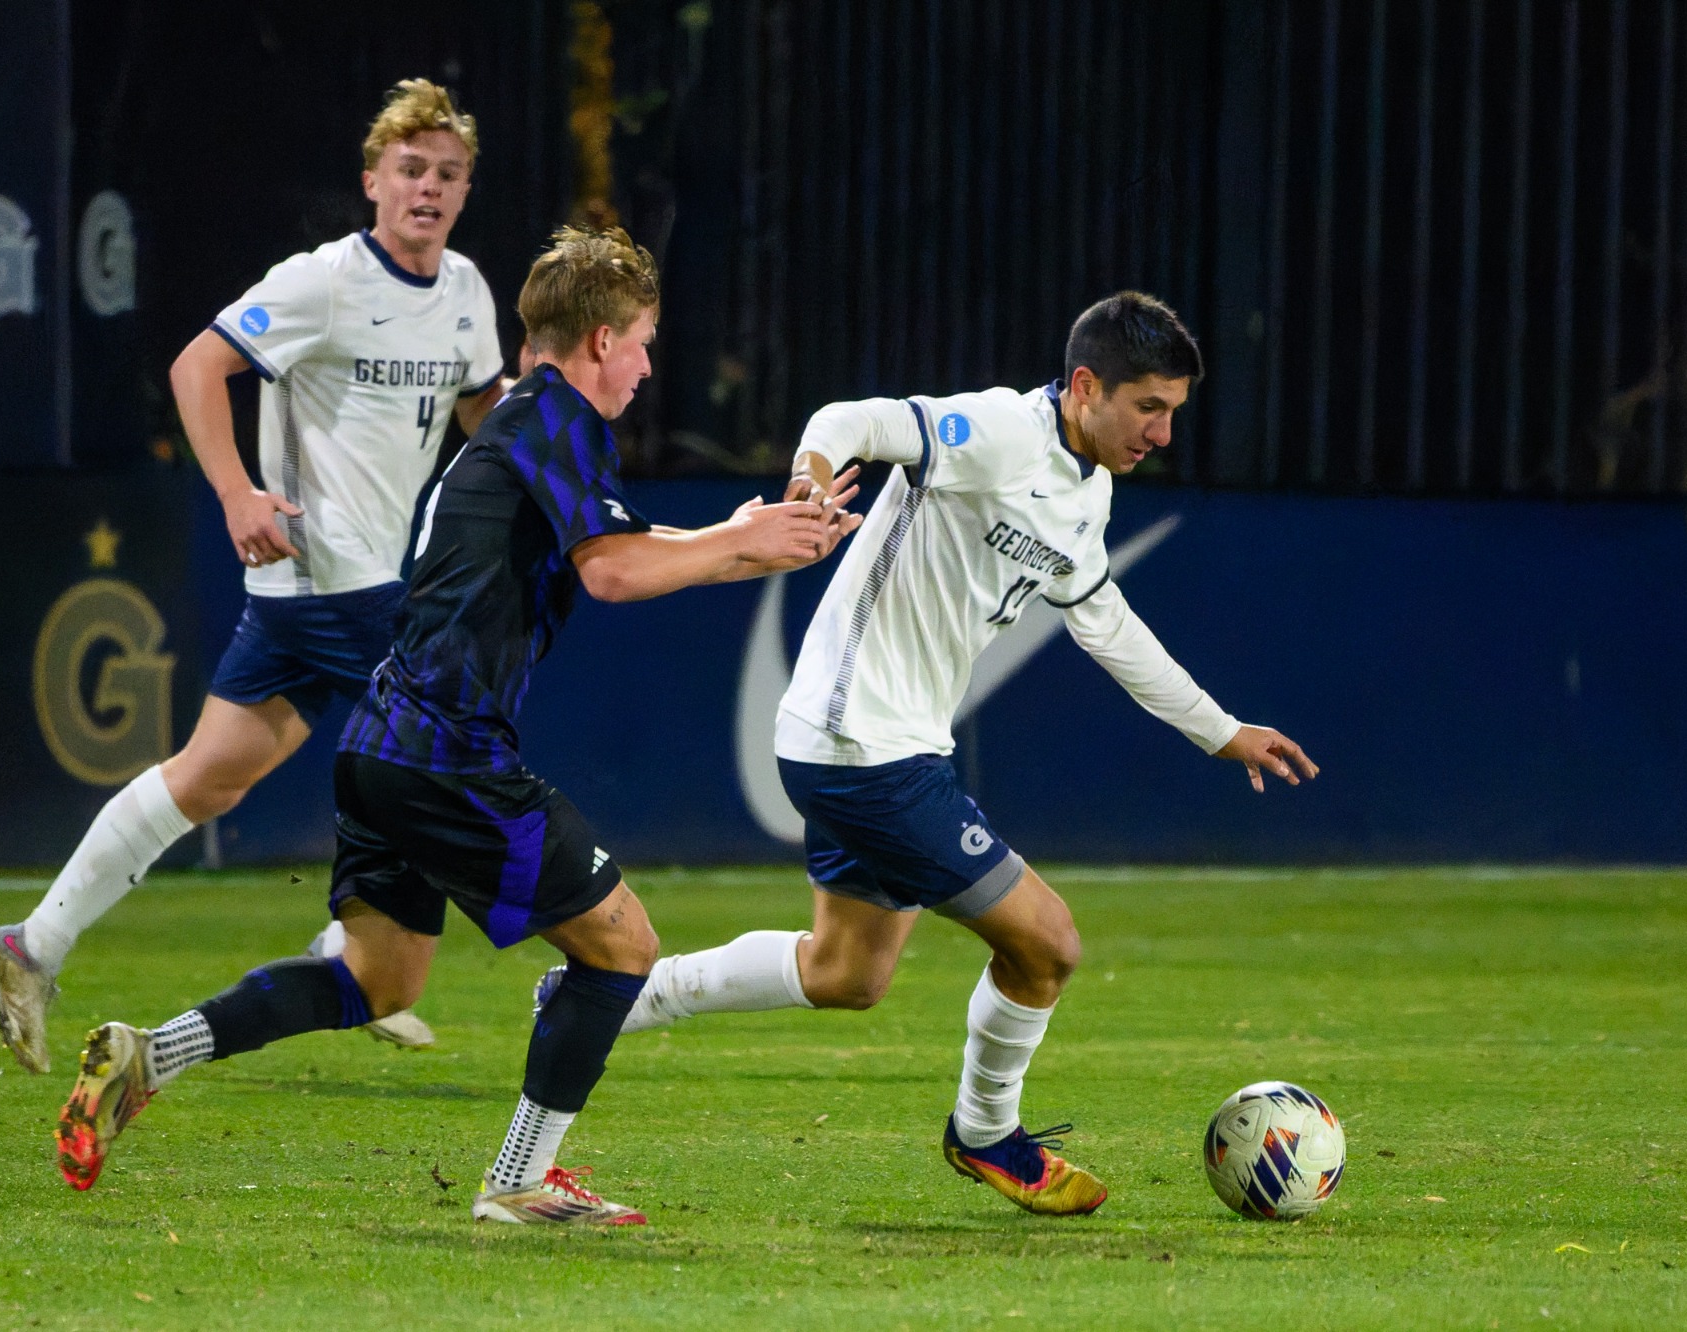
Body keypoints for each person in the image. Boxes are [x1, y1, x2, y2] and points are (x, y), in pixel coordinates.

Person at [51, 224, 862, 1227]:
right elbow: (610, 572)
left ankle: (150, 1053)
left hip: (383, 746)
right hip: (446, 752)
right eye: (644, 339)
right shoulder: (558, 416)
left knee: (381, 978)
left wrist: (755, 548)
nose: (649, 365)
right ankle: (519, 1178)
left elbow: (623, 544)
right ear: (601, 339)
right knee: (620, 947)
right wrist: (739, 542)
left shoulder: (524, 418)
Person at [541, 292, 1318, 1216]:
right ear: (1084, 386)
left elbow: (1105, 624)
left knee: (847, 974)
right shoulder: (997, 430)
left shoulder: (1087, 493)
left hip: (880, 745)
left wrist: (1220, 730)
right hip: (860, 744)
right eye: (1149, 406)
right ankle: (987, 1131)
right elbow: (854, 419)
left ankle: (610, 995)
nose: (1161, 430)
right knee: (1048, 944)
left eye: (1173, 412)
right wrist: (813, 474)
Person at [0, 79, 505, 1068]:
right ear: (372, 181)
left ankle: (31, 944)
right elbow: (195, 367)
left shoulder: (469, 294)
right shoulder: (325, 280)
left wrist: (530, 442)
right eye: (409, 170)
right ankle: (368, 954)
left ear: (465, 189)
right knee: (449, 750)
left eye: (446, 174)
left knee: (207, 780)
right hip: (323, 569)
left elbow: (478, 408)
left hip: (337, 585)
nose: (426, 189)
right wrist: (234, 494)